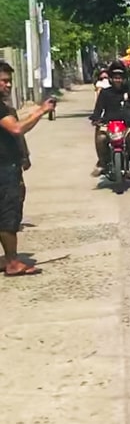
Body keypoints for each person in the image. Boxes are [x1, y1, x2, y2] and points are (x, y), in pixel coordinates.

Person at [0, 61, 56, 277]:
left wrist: (24, 155)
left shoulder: (6, 107)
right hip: (4, 169)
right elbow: (16, 129)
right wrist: (41, 110)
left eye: (9, 81)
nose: (8, 85)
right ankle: (13, 262)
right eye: (3, 81)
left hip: (10, 164)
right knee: (8, 213)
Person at [90, 60, 130, 177]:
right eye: (115, 77)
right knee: (100, 137)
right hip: (109, 124)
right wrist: (96, 118)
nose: (117, 80)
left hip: (128, 124)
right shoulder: (105, 93)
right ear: (111, 79)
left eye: (120, 77)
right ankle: (102, 163)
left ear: (124, 78)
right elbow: (98, 108)